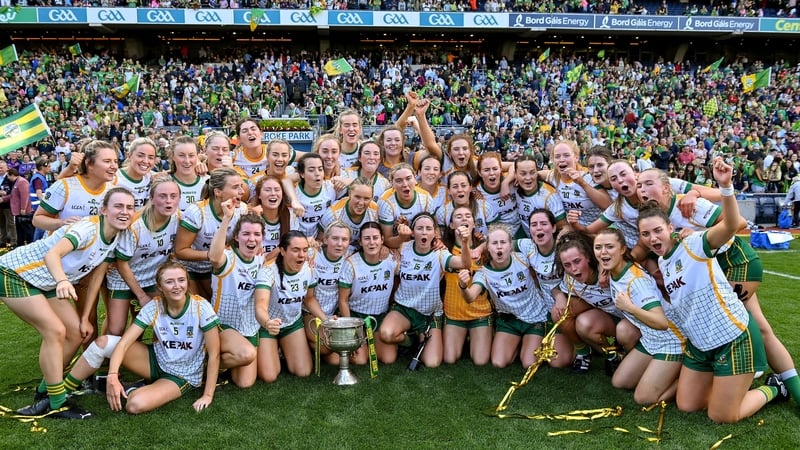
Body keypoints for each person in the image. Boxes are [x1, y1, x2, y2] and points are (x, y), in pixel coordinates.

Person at [636, 157, 787, 423]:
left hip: (730, 338)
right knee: (687, 405)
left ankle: (774, 387)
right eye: (646, 235)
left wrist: (725, 187)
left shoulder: (695, 243)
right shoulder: (661, 260)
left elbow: (732, 224)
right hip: (701, 345)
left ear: (671, 228)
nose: (653, 239)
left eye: (658, 231)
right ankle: (729, 383)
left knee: (722, 416)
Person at [5, 187, 134, 419]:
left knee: (77, 332)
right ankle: (57, 403)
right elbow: (52, 255)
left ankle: (45, 391)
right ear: (104, 210)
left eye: (129, 207)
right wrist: (63, 281)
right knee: (55, 332)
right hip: (14, 273)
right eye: (118, 206)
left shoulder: (116, 236)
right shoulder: (87, 228)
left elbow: (96, 277)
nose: (124, 212)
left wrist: (85, 317)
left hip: (46, 280)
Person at [62, 261, 220, 414]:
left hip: (181, 374)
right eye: (169, 282)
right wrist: (112, 375)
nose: (177, 286)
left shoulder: (201, 307)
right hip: (155, 360)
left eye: (181, 280)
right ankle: (61, 393)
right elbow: (124, 344)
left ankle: (135, 388)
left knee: (134, 404)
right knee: (104, 342)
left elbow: (214, 354)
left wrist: (207, 395)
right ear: (160, 287)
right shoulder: (155, 305)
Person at [594, 228, 684, 405]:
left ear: (622, 250)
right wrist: (601, 269)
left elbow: (661, 322)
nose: (603, 252)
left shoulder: (636, 282)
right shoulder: (614, 269)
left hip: (672, 341)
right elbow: (603, 260)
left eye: (609, 247)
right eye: (598, 247)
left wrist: (630, 308)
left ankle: (690, 376)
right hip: (651, 339)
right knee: (620, 382)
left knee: (644, 398)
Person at [379, 212, 472, 369]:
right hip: (404, 309)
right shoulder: (403, 248)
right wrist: (383, 247)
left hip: (429, 315)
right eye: (420, 228)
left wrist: (464, 242)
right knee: (387, 334)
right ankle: (409, 341)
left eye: (428, 228)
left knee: (432, 363)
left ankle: (421, 335)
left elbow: (465, 263)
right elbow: (385, 246)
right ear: (413, 232)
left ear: (434, 233)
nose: (424, 232)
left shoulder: (440, 254)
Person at [458, 223, 555, 369]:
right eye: (494, 243)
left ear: (510, 246)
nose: (499, 247)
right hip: (509, 321)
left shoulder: (522, 258)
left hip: (535, 318)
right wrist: (463, 286)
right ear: (488, 248)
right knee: (498, 362)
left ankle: (530, 341)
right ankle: (518, 344)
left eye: (503, 242)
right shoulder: (484, 273)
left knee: (529, 363)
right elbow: (470, 297)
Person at [554, 231, 641, 375]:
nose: (573, 269)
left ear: (588, 257)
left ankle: (634, 356)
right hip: (612, 318)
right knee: (563, 314)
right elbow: (557, 289)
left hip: (635, 319)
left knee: (624, 331)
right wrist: (559, 297)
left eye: (577, 261)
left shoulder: (610, 270)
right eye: (567, 265)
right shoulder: (570, 280)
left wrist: (602, 266)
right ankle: (610, 354)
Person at [106, 177, 181, 336]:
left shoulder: (179, 218)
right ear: (152, 199)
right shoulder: (135, 224)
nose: (168, 201)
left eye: (173, 196)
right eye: (162, 196)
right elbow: (122, 263)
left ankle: (157, 356)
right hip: (123, 279)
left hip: (152, 278)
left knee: (164, 322)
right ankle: (105, 357)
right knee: (116, 329)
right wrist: (140, 295)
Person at [209, 205, 273, 387]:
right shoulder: (227, 258)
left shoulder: (261, 259)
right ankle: (204, 367)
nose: (251, 239)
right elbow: (214, 257)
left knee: (244, 382)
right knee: (247, 354)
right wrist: (226, 219)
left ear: (262, 238)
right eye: (246, 234)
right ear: (237, 237)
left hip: (249, 326)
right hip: (223, 324)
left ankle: (222, 361)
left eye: (256, 234)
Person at [255, 231, 319, 382]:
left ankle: (283, 348)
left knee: (303, 372)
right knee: (269, 376)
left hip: (291, 324)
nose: (302, 255)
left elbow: (309, 299)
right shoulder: (268, 271)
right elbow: (260, 306)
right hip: (267, 326)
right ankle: (274, 348)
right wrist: (267, 323)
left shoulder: (309, 269)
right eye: (295, 250)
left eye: (305, 250)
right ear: (283, 251)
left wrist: (327, 319)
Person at [175, 167, 249, 299]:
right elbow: (180, 251)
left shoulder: (242, 209)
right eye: (235, 187)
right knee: (197, 307)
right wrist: (212, 254)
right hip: (191, 268)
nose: (242, 191)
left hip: (219, 266)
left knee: (217, 303)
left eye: (241, 186)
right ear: (218, 192)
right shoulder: (197, 212)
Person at [338, 222, 399, 365]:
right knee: (360, 360)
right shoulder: (351, 263)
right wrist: (350, 328)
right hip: (357, 317)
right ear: (360, 241)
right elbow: (343, 300)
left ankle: (403, 339)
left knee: (388, 359)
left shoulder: (391, 259)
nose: (371, 242)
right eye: (367, 238)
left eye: (375, 238)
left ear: (382, 240)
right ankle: (360, 339)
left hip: (379, 316)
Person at [442, 207, 493, 365]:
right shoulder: (443, 250)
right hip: (454, 315)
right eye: (458, 216)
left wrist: (484, 244)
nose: (464, 219)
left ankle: (481, 336)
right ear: (451, 225)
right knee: (449, 359)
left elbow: (503, 238)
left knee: (480, 361)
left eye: (468, 216)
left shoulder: (485, 251)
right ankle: (462, 338)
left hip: (480, 314)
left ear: (473, 223)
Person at [303, 221, 351, 363]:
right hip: (310, 312)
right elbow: (308, 298)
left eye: (344, 240)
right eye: (335, 238)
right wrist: (326, 321)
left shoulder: (351, 257)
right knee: (325, 346)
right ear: (325, 239)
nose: (339, 244)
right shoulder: (312, 255)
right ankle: (304, 344)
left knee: (335, 359)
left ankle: (314, 347)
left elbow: (344, 299)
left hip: (333, 314)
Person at [377, 163, 436, 249]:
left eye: (408, 179)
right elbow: (386, 241)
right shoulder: (385, 202)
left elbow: (434, 227)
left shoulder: (426, 198)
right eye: (399, 181)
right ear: (392, 184)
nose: (405, 184)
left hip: (420, 242)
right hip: (395, 246)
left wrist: (437, 240)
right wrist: (402, 237)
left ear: (415, 180)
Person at [513, 155, 566, 238]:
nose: (528, 178)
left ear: (537, 172)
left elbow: (564, 228)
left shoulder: (550, 195)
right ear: (515, 174)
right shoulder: (513, 188)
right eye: (523, 174)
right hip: (528, 242)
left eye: (532, 172)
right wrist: (506, 182)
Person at [112, 137, 157, 210]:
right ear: (129, 156)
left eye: (150, 157)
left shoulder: (153, 178)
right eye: (140, 155)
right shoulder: (113, 178)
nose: (146, 161)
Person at [169, 136, 205, 212]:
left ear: (197, 157)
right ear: (173, 156)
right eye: (181, 155)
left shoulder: (208, 182)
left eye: (191, 155)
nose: (187, 161)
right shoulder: (163, 183)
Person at [9, 168, 34, 246]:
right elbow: (13, 195)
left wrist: (23, 208)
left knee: (27, 231)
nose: (8, 178)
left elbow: (25, 196)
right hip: (18, 212)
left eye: (8, 176)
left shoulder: (22, 182)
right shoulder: (16, 182)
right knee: (20, 232)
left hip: (24, 212)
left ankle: (30, 246)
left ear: (12, 175)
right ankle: (20, 246)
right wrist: (3, 199)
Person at [29, 157, 50, 241]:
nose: (50, 168)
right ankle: (36, 244)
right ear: (42, 167)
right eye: (48, 166)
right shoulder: (38, 178)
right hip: (40, 206)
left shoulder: (39, 177)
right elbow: (39, 193)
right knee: (41, 227)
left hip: (39, 206)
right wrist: (46, 204)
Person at [0, 161, 17, 246]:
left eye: (1, 167)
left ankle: (14, 242)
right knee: (1, 224)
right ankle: (2, 241)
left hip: (8, 204)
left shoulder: (10, 178)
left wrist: (6, 194)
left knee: (11, 223)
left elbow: (13, 191)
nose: (0, 169)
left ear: (6, 168)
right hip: (0, 205)